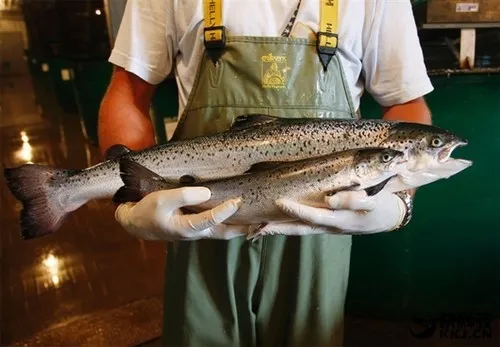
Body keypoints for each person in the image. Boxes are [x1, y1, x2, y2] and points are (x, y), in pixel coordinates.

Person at [98, 0, 433, 346]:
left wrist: (398, 202)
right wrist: (129, 203)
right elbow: (129, 92)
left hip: (322, 227)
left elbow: (405, 102)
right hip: (199, 223)